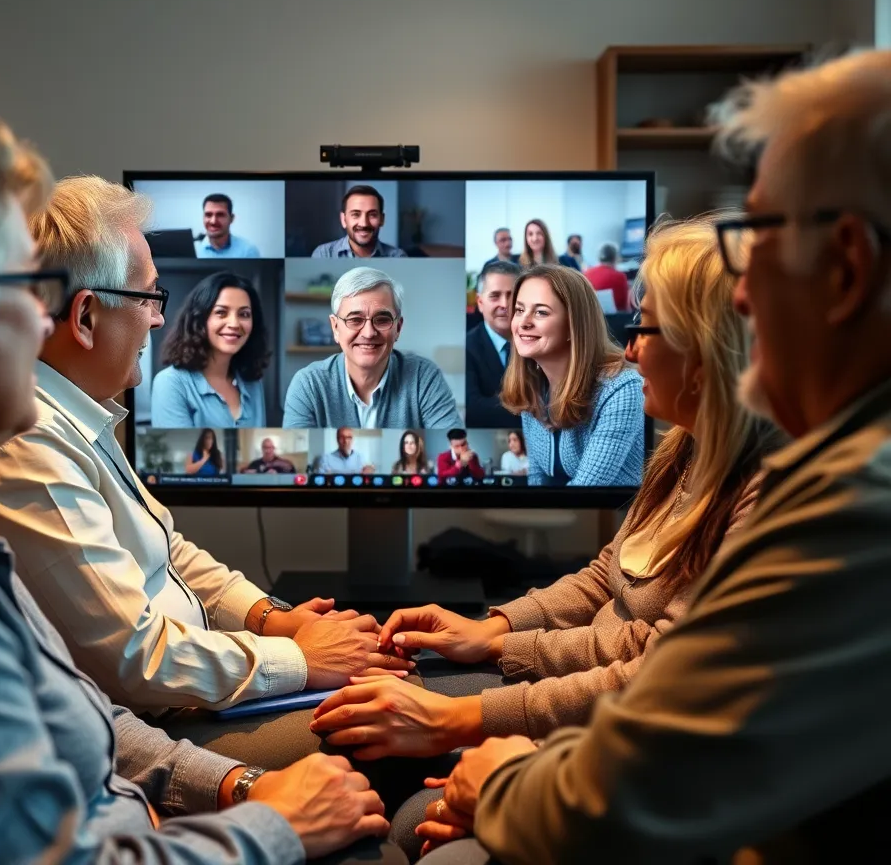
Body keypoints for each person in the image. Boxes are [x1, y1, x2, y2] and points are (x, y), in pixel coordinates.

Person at [0, 87, 398, 864]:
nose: (39, 321)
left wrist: (229, 786)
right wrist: (266, 822)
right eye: (24, 288)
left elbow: (91, 716)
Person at [418, 49, 891, 865]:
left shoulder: (851, 505)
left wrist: (495, 765)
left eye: (755, 238)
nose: (741, 294)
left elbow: (629, 783)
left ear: (846, 267)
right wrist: (495, 632)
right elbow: (613, 579)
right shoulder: (809, 461)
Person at [313, 213, 776, 858]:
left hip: (639, 739)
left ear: (708, 347)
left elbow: (654, 662)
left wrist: (469, 718)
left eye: (645, 327)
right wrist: (492, 631)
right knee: (374, 730)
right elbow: (605, 580)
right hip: (605, 690)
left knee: (411, 808)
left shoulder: (763, 487)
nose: (633, 349)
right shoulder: (683, 451)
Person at [0, 174, 411, 718]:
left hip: (209, 677)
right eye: (149, 295)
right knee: (400, 711)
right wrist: (298, 656)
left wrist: (272, 617)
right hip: (174, 718)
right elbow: (137, 660)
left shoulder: (72, 409)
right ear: (84, 317)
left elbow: (165, 552)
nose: (158, 317)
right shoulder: (23, 446)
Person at [501, 264, 643, 486]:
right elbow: (537, 480)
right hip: (564, 516)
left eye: (541, 312)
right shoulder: (533, 387)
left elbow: (585, 493)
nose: (524, 322)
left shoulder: (622, 388)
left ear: (572, 326)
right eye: (519, 310)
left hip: (614, 518)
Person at [283, 267, 461, 429]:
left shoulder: (424, 377)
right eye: (355, 320)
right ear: (335, 328)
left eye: (382, 320)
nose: (368, 333)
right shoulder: (308, 384)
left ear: (397, 328)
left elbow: (451, 439)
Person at [151, 272, 269, 428]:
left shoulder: (253, 382)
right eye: (221, 312)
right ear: (199, 319)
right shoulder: (171, 383)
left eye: (244, 314)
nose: (234, 323)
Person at [466, 260, 522, 428]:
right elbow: (474, 409)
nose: (504, 304)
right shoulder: (466, 349)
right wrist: (532, 407)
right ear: (480, 302)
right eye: (495, 296)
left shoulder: (535, 340)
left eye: (511, 295)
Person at [312, 185, 407, 258]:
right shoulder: (324, 254)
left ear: (382, 219)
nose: (364, 223)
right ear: (343, 220)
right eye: (356, 214)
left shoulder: (397, 257)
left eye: (372, 215)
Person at [197, 193, 261, 258]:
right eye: (208, 215)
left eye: (220, 215)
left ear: (231, 218)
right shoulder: (195, 251)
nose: (213, 221)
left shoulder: (248, 251)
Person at [584, 239, 631, 312]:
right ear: (615, 258)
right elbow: (624, 307)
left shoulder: (587, 273)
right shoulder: (620, 276)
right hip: (614, 319)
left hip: (592, 316)